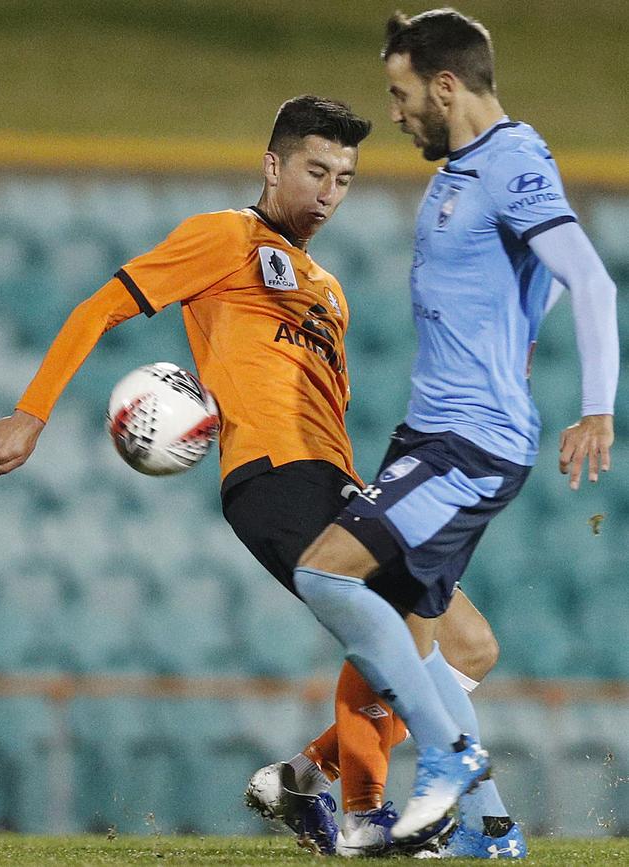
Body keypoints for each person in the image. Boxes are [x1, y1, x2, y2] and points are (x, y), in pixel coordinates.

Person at [0, 94, 504, 857]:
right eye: (315, 171)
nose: (328, 194)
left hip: (334, 477)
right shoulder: (225, 237)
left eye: (345, 180)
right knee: (383, 620)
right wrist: (31, 412)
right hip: (273, 472)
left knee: (469, 647)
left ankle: (301, 777)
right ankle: (365, 812)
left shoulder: (329, 290)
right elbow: (100, 307)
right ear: (273, 165)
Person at [288, 9, 619, 861]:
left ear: (445, 85)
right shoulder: (467, 169)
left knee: (324, 572)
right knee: (430, 641)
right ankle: (492, 827)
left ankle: (447, 755)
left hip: (468, 444)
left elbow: (589, 279)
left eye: (400, 95)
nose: (393, 114)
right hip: (428, 434)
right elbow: (532, 285)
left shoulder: (510, 164)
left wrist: (597, 407)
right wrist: (515, 327)